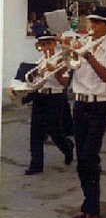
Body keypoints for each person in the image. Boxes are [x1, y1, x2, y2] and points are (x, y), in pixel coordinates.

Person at [70, 6, 106, 218]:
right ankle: (88, 203)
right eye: (91, 22)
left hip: (99, 105)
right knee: (81, 157)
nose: (91, 26)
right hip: (79, 104)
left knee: (89, 156)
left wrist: (88, 55)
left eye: (97, 23)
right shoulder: (80, 43)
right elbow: (68, 71)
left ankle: (92, 210)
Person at [25, 33, 74, 175]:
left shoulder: (63, 60)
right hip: (40, 96)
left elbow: (65, 83)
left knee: (55, 131)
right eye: (43, 45)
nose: (46, 47)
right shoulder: (39, 60)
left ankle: (67, 147)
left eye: (48, 44)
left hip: (55, 97)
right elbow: (33, 81)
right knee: (36, 132)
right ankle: (36, 165)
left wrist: (55, 71)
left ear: (54, 44)